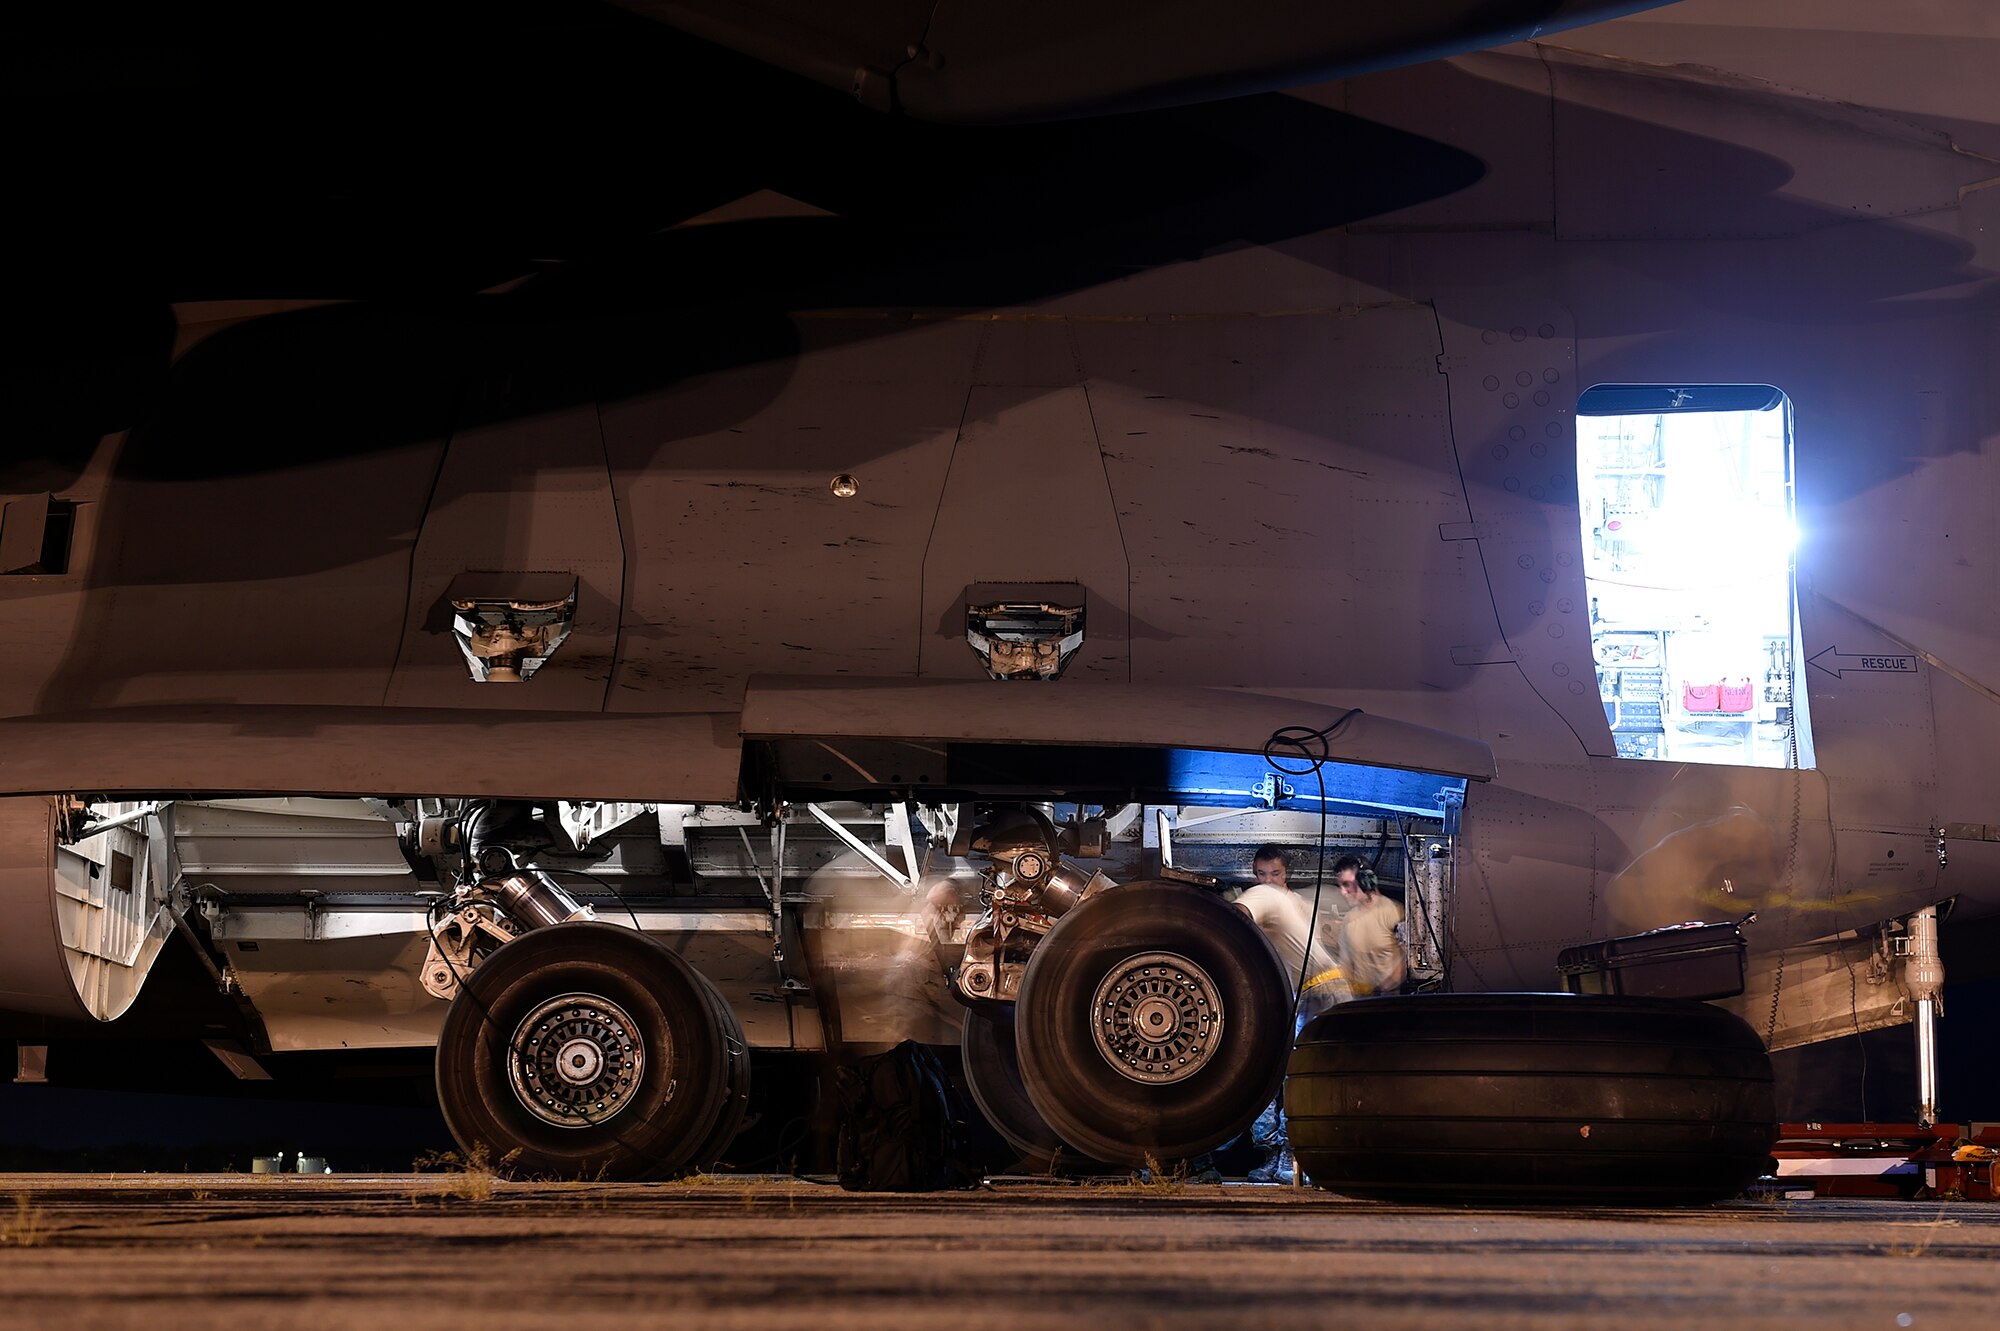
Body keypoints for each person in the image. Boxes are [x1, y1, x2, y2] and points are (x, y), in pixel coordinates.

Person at [1234, 845, 1346, 1184]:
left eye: (1275, 874)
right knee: (1279, 1072)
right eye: (1262, 874)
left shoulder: (1263, 897)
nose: (1268, 881)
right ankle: (1280, 1157)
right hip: (1305, 994)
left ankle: (1292, 1158)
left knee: (1295, 1077)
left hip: (1317, 992)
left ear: (1287, 875)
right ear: (1255, 874)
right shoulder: (1292, 901)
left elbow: (1234, 917)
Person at [1332, 853, 1406, 996]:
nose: (1343, 892)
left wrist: (1382, 989)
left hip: (1388, 1005)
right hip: (1359, 1006)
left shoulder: (1393, 912)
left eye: (1347, 884)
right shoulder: (1348, 920)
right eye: (1340, 886)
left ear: (1366, 880)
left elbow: (1405, 961)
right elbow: (1345, 967)